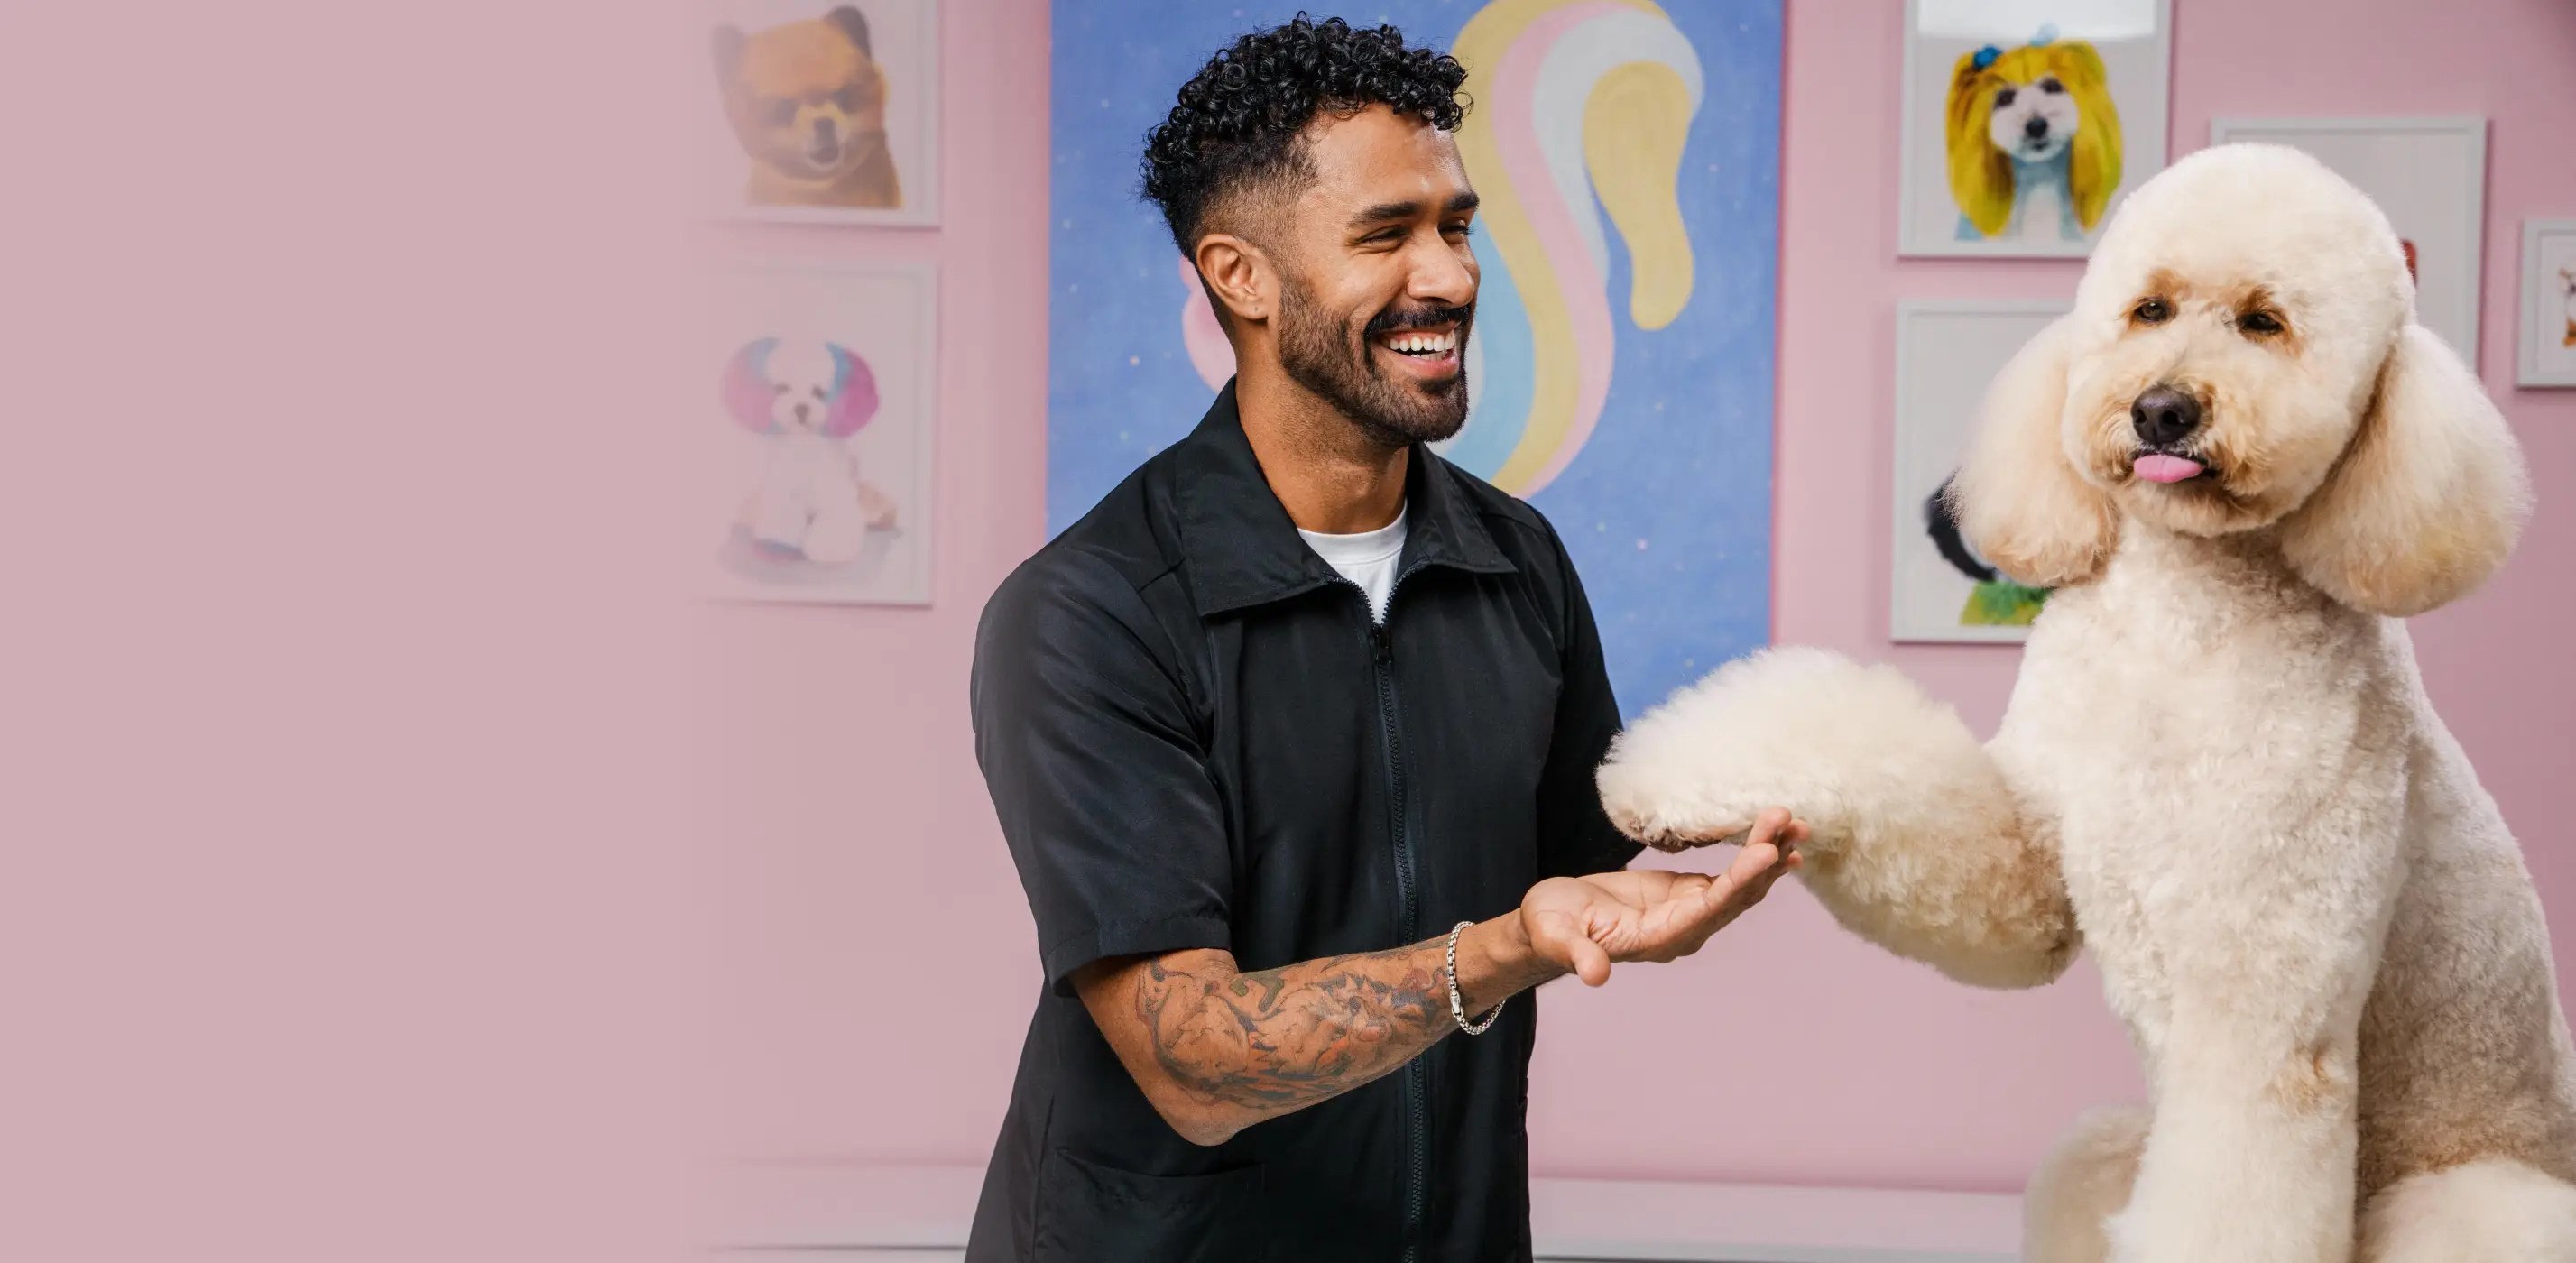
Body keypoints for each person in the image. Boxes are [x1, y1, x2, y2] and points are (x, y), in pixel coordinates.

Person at [965, 16, 1802, 1261]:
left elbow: (1588, 860)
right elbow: (1191, 1059)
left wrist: (1813, 787)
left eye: (1456, 226)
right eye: (1386, 234)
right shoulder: (1090, 612)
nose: (1451, 278)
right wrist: (1498, 952)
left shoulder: (1516, 560)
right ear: (1240, 277)